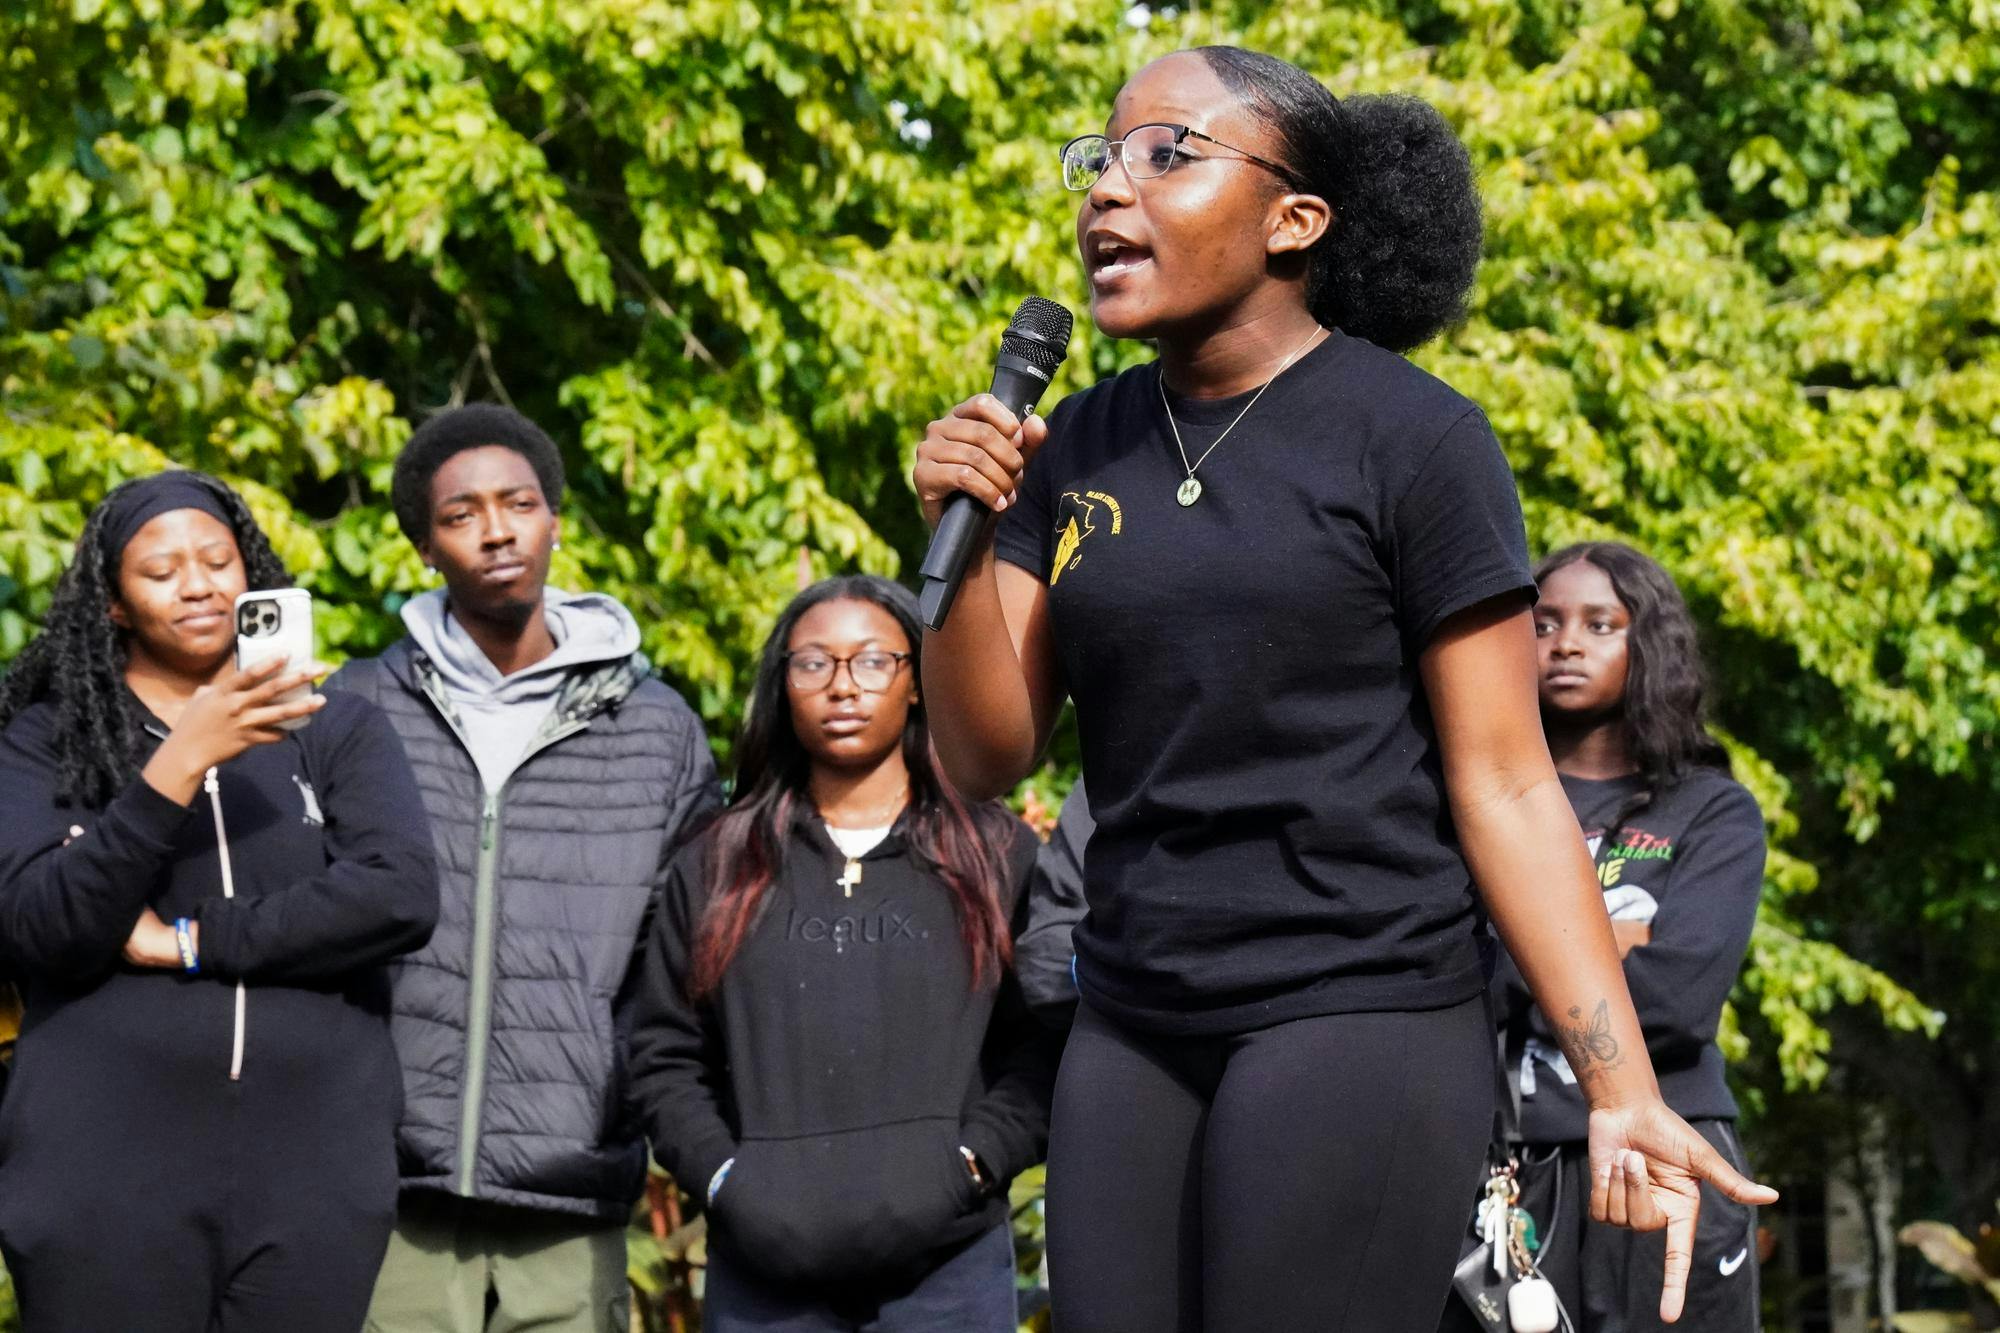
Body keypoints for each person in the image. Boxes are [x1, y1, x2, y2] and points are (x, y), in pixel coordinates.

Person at [911, 44, 1777, 1333]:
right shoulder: (1071, 442)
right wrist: (960, 530)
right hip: (1134, 1015)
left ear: (1293, 220)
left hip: (1357, 1005)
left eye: (1166, 153)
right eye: (1098, 158)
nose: (1105, 191)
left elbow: (1506, 783)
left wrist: (1619, 1086)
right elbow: (985, 757)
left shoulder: (1414, 439)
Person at [0, 470, 439, 1332]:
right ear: (114, 603)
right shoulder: (45, 738)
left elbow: (397, 896)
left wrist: (192, 940)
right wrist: (180, 760)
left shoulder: (338, 726)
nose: (197, 584)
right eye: (160, 571)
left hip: (315, 1165)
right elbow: (46, 925)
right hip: (100, 1168)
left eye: (217, 560)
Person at [328, 404, 721, 1333]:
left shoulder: (655, 727)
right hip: (391, 1189)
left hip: (573, 1182)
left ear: (555, 519)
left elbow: (687, 951)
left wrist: (630, 1097)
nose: (497, 529)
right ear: (425, 546)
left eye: (520, 503)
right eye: (462, 514)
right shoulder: (355, 706)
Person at [628, 575, 1056, 1333]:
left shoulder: (994, 853)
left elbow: (1043, 1043)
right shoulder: (719, 862)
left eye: (871, 661)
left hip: (948, 1269)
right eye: (814, 663)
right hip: (763, 1275)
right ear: (783, 684)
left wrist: (971, 1164)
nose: (842, 686)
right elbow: (663, 1053)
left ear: (916, 680)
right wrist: (727, 1179)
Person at [1441, 542, 1767, 1332]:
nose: (1566, 643)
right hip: (1502, 1169)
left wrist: (1516, 944)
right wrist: (1610, 941)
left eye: (1599, 623)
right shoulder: (1472, 804)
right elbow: (1444, 968)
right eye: (1544, 622)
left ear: (1647, 641)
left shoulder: (1712, 809)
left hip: (1663, 1157)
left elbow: (1682, 996)